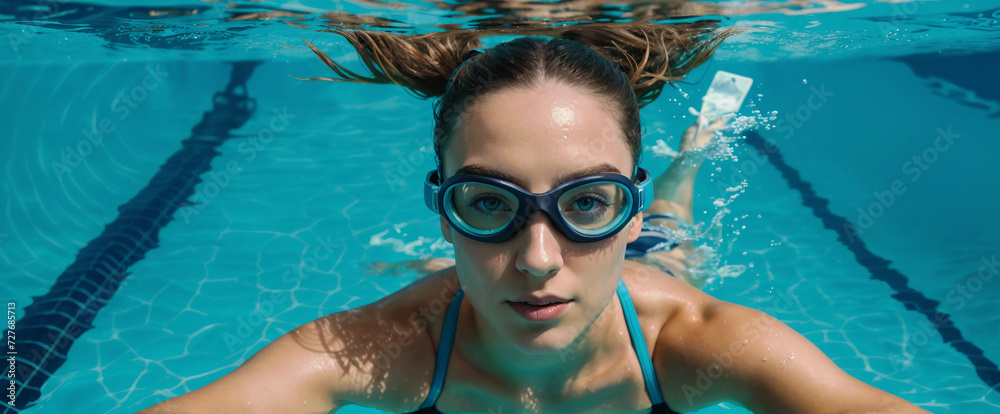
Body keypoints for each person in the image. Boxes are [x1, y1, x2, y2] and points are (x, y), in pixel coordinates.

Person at [141, 23, 927, 413]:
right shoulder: (397, 348)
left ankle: (687, 161)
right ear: (441, 211)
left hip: (652, 265)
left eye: (589, 201)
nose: (539, 259)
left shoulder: (693, 341)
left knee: (677, 239)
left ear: (625, 207)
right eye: (488, 203)